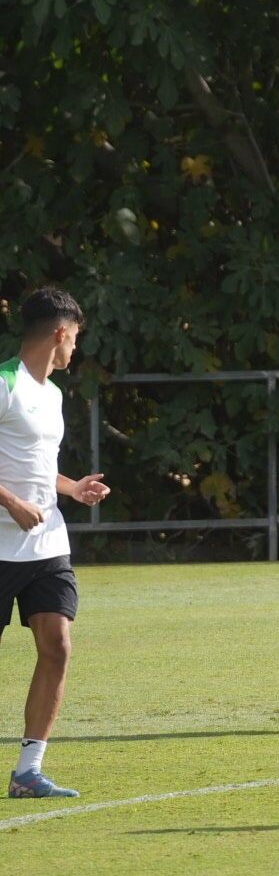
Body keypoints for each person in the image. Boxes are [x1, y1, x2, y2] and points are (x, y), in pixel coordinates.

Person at [1, 289, 111, 799]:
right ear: (60, 333)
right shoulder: (3, 384)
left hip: (47, 546)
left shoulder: (53, 394)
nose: (75, 352)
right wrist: (11, 504)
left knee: (58, 645)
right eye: (75, 340)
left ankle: (28, 772)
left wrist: (71, 488)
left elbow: (37, 467)